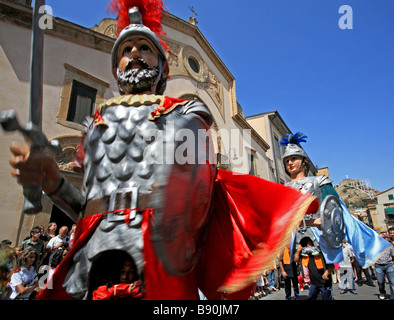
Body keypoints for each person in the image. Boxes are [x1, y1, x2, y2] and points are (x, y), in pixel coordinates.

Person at [7, 0, 319, 300]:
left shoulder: (186, 112)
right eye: (126, 50)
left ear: (163, 67)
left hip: (160, 265)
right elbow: (87, 212)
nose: (135, 54)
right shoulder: (96, 126)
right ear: (116, 68)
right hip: (95, 267)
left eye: (145, 48)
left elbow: (197, 193)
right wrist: (54, 183)